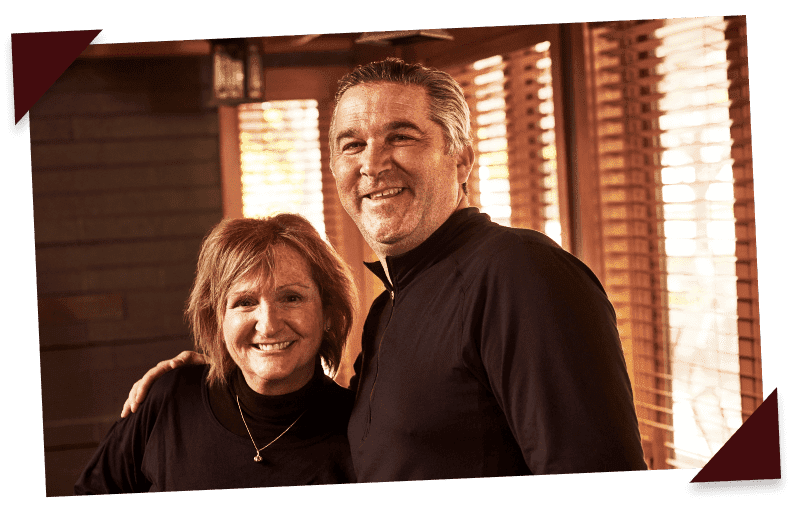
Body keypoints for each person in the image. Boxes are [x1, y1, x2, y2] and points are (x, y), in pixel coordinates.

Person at [122, 58, 648, 481]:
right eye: (353, 144)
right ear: (336, 168)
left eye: (401, 137)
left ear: (461, 160)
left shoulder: (520, 274)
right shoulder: (391, 304)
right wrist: (227, 375)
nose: (373, 164)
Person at [75, 215, 357, 494]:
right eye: (245, 302)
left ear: (328, 313)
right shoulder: (171, 400)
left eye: (291, 298)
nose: (269, 325)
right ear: (218, 320)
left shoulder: (358, 432)